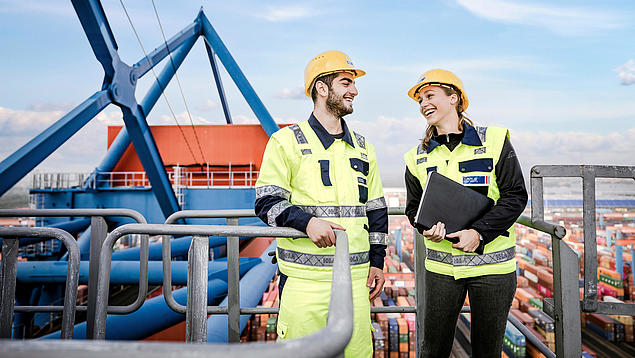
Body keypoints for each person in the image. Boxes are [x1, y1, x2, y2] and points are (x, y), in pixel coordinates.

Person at [255, 50, 388, 357]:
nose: (354, 90)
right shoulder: (285, 142)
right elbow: (265, 202)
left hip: (356, 280)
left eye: (353, 83)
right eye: (346, 82)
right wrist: (307, 222)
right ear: (322, 88)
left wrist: (378, 262)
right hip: (304, 281)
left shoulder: (364, 147)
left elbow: (377, 210)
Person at [403, 69, 528, 357]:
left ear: (454, 98)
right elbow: (413, 208)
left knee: (487, 351)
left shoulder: (494, 140)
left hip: (492, 268)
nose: (423, 104)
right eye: (419, 100)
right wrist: (424, 229)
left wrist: (479, 233)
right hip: (441, 270)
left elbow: (514, 196)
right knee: (432, 349)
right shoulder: (415, 157)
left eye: (429, 96)